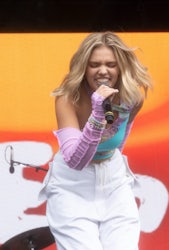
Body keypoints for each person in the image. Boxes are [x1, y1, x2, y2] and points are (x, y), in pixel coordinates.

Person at [39, 31, 152, 250]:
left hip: (114, 183)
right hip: (72, 185)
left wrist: (110, 165)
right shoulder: (67, 98)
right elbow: (75, 161)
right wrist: (97, 114)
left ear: (120, 67)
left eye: (111, 64)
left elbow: (119, 141)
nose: (103, 71)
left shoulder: (131, 97)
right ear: (84, 67)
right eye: (94, 64)